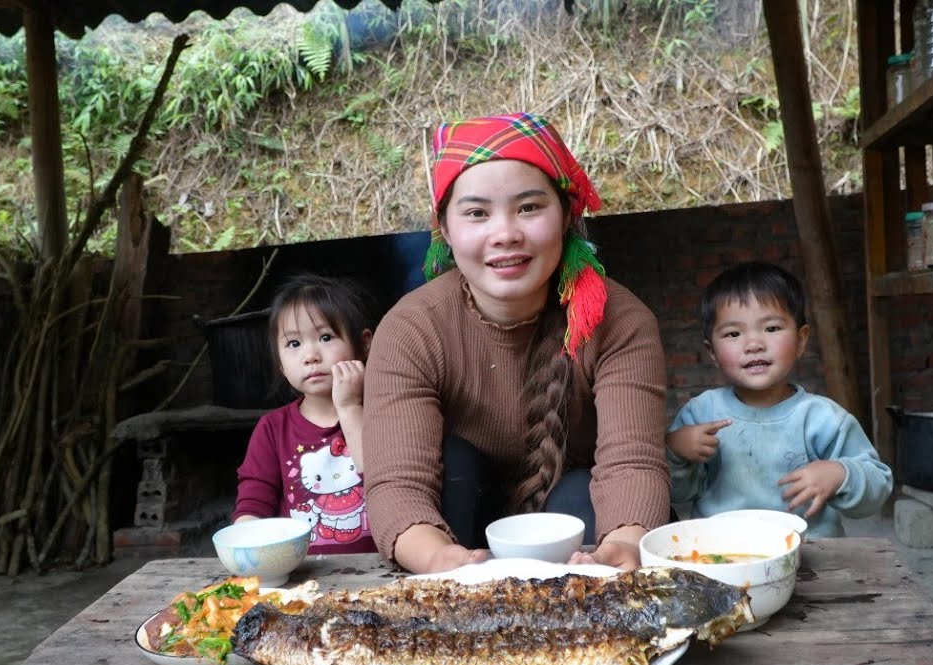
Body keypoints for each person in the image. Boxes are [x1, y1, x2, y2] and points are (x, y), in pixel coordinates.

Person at [363, 112, 670, 574]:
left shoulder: (620, 322)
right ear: (444, 228)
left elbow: (633, 463)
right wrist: (444, 562)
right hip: (461, 534)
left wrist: (623, 546)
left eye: (529, 208)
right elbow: (397, 485)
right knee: (457, 463)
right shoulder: (410, 330)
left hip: (584, 540)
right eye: (476, 213)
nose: (505, 234)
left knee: (577, 491)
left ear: (566, 215)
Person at [666, 261, 892, 537]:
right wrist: (675, 451)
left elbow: (877, 487)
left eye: (771, 328)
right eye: (733, 334)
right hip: (720, 549)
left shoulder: (822, 419)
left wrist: (840, 474)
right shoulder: (701, 414)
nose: (754, 344)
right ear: (711, 351)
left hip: (808, 551)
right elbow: (676, 493)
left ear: (801, 340)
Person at [232, 272, 378, 554]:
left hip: (380, 569)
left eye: (326, 337)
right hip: (302, 572)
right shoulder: (273, 428)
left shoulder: (382, 412)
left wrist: (349, 407)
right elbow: (253, 504)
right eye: (294, 344)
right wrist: (245, 544)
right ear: (280, 362)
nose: (310, 356)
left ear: (363, 344)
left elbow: (384, 478)